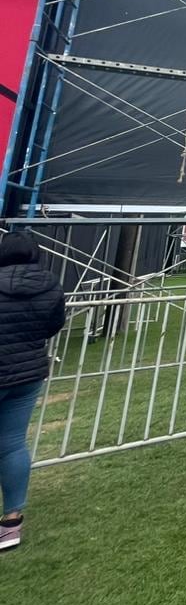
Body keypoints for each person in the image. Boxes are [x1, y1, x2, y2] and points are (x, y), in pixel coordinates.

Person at [0, 231, 65, 552]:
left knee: (11, 444)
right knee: (12, 444)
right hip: (28, 372)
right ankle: (11, 523)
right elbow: (53, 325)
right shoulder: (50, 283)